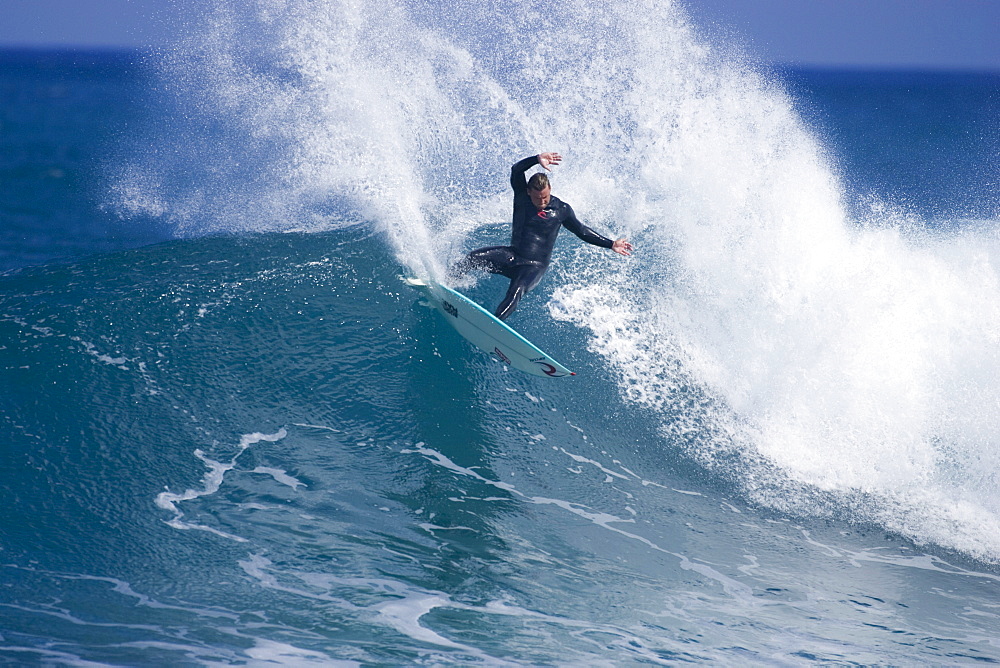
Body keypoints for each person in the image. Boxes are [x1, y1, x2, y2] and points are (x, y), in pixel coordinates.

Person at [451, 152, 633, 321]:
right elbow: (516, 169)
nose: (542, 202)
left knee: (517, 291)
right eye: (538, 198)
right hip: (513, 255)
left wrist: (611, 244)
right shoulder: (522, 197)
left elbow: (581, 231)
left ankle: (494, 325)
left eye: (545, 197)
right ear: (529, 192)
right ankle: (448, 283)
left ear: (550, 189)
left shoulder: (561, 209)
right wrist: (536, 158)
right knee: (472, 258)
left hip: (534, 266)